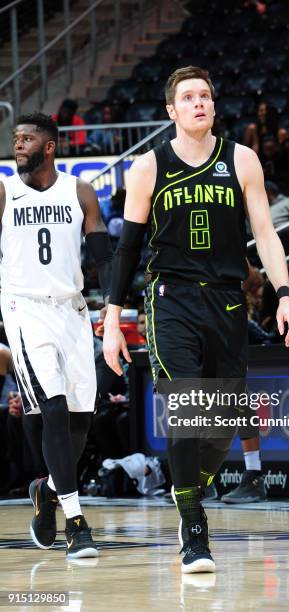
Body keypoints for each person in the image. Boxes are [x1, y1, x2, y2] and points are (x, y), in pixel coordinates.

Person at [102, 66, 289, 574]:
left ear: (214, 105)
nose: (198, 103)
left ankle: (192, 484)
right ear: (171, 110)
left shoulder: (242, 158)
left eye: (205, 96)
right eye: (187, 97)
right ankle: (194, 528)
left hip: (228, 301)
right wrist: (109, 317)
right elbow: (126, 251)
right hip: (170, 298)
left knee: (226, 416)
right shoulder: (148, 167)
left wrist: (284, 293)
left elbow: (266, 232)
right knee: (185, 400)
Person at [0, 112, 113, 559]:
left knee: (80, 421)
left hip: (73, 312)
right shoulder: (5, 192)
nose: (18, 145)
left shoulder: (79, 192)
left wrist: (116, 305)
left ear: (49, 147)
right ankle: (76, 521)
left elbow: (102, 252)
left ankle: (46, 491)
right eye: (15, 138)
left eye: (27, 138)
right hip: (25, 310)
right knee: (53, 410)